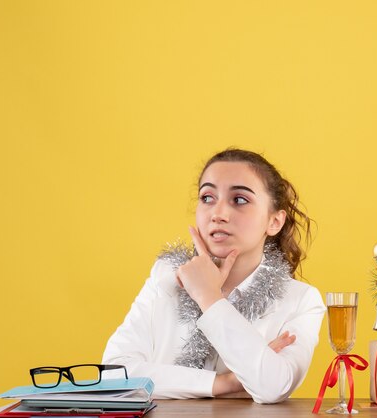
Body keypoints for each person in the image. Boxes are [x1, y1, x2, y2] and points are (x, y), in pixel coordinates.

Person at [102, 148, 325, 403]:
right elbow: (113, 376)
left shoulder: (301, 300)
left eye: (239, 200)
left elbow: (273, 387)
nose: (218, 214)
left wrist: (209, 297)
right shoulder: (165, 277)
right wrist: (222, 383)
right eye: (207, 197)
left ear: (274, 221)